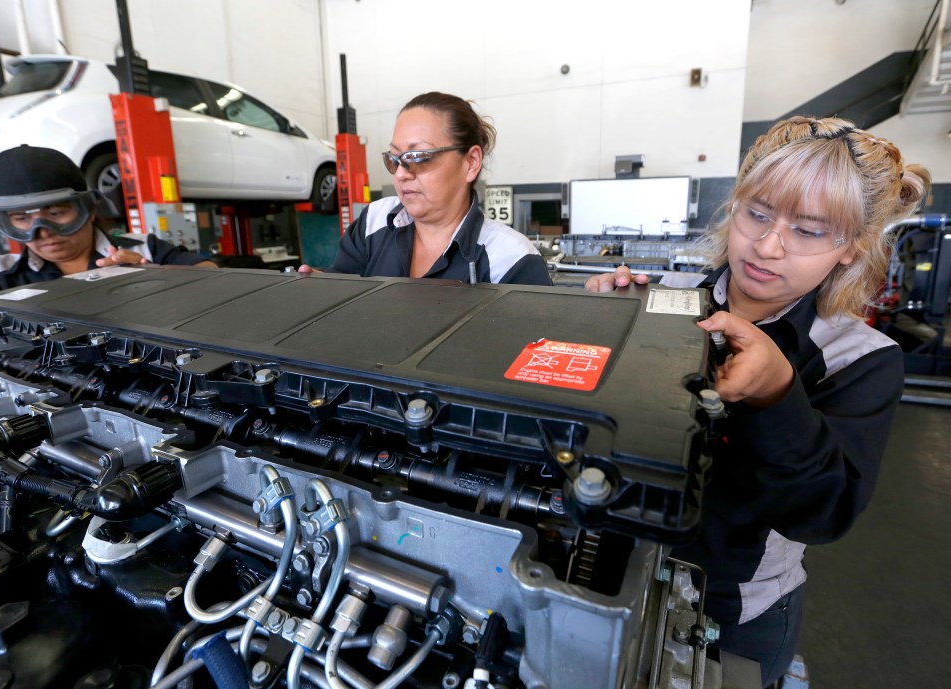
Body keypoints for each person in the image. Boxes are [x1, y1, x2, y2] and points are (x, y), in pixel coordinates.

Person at [587, 116, 929, 687]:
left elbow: (824, 512)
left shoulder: (858, 356)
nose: (768, 246)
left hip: (734, 605)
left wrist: (777, 397)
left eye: (810, 231)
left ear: (851, 248)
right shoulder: (670, 307)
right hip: (619, 564)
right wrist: (604, 328)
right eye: (759, 214)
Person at [0, 144, 216, 344]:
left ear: (88, 209)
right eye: (21, 218)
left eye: (55, 213)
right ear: (5, 222)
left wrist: (154, 275)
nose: (43, 232)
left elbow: (211, 274)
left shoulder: (143, 248)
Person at [298, 92, 551, 286]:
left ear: (471, 162)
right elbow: (342, 289)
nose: (400, 174)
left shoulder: (510, 259)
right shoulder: (372, 222)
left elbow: (538, 352)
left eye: (418, 157)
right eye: (394, 158)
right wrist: (323, 288)